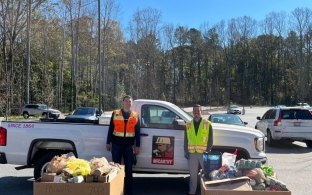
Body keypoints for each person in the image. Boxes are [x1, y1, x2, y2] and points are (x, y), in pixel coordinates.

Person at [106, 95, 140, 195]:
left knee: (128, 169)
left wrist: (137, 146)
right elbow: (110, 129)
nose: (128, 103)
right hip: (116, 145)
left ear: (132, 103)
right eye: (126, 101)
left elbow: (137, 132)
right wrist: (108, 142)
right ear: (122, 102)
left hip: (129, 147)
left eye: (129, 101)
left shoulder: (135, 115)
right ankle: (116, 189)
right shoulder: (115, 113)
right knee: (115, 168)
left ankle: (128, 190)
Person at [184, 104, 213, 195]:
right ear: (193, 112)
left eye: (198, 111)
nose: (196, 113)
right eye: (195, 111)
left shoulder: (207, 124)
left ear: (201, 111)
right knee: (193, 175)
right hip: (192, 153)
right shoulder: (188, 124)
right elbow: (186, 139)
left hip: (204, 153)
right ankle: (192, 192)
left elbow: (210, 138)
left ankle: (206, 191)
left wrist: (208, 149)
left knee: (207, 174)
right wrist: (186, 151)